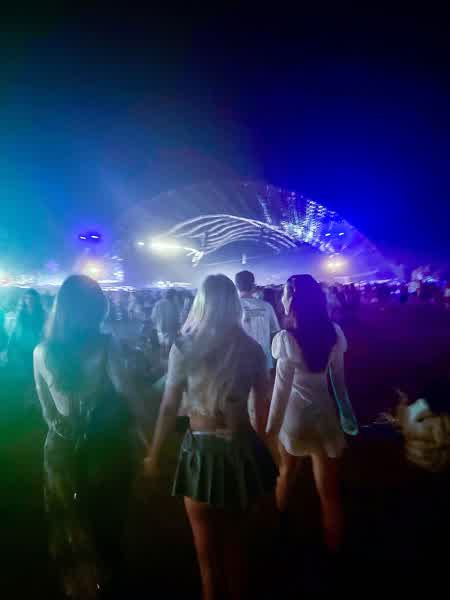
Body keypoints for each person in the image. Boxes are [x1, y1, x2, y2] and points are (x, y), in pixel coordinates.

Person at [145, 274, 277, 600]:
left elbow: (169, 407)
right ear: (234, 304)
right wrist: (269, 451)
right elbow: (262, 409)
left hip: (199, 450)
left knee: (205, 553)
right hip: (240, 448)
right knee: (236, 549)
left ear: (201, 303)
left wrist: (154, 453)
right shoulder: (252, 350)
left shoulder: (184, 346)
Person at [34, 275, 143, 599]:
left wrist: (63, 426)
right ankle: (106, 582)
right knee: (107, 521)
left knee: (69, 521)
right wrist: (146, 434)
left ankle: (78, 585)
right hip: (103, 444)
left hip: (60, 447)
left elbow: (47, 410)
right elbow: (128, 393)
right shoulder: (105, 345)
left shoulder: (42, 351)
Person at [266, 274, 348, 552]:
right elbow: (339, 382)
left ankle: (279, 533)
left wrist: (271, 430)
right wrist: (348, 416)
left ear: (292, 299)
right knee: (329, 492)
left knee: (286, 474)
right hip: (324, 415)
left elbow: (280, 391)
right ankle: (335, 547)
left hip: (295, 418)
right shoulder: (333, 333)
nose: (282, 298)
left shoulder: (286, 338)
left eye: (284, 293)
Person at [235, 270, 280, 372]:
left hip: (240, 362)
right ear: (253, 285)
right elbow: (275, 333)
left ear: (236, 286)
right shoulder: (267, 306)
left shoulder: (232, 307)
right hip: (264, 361)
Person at [8, 289, 46, 406]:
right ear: (24, 300)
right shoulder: (20, 314)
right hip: (22, 351)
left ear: (36, 300)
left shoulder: (42, 314)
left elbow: (46, 331)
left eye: (32, 299)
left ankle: (35, 399)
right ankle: (27, 399)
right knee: (26, 375)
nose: (29, 301)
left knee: (36, 376)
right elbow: (14, 332)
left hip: (37, 350)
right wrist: (9, 349)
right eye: (27, 298)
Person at [151, 288, 180, 357]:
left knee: (162, 346)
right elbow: (176, 318)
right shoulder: (173, 304)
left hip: (160, 330)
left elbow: (153, 317)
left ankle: (162, 359)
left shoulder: (158, 303)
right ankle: (168, 360)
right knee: (170, 348)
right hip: (170, 330)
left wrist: (157, 325)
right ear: (173, 296)